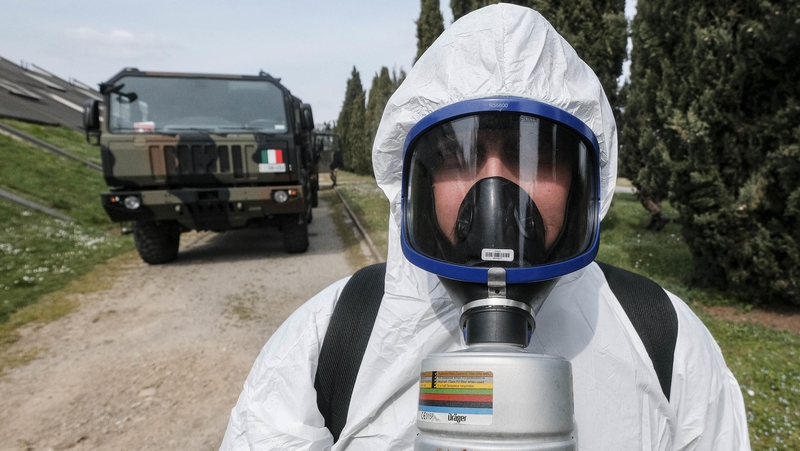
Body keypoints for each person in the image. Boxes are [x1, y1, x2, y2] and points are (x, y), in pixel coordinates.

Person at [220, 4, 750, 450]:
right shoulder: (332, 338)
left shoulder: (664, 340)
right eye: (455, 156)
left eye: (537, 155)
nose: (494, 192)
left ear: (581, 179)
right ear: (418, 183)